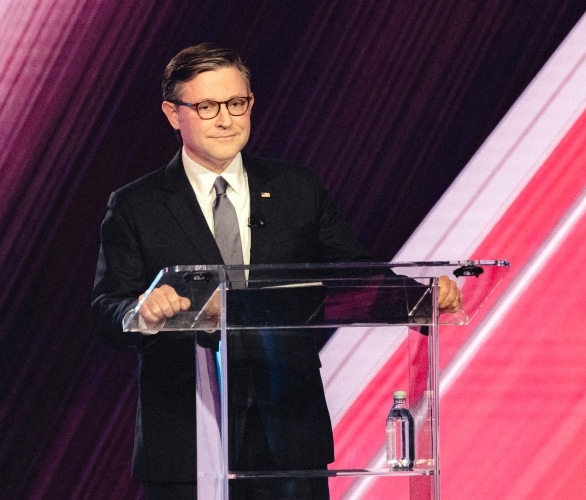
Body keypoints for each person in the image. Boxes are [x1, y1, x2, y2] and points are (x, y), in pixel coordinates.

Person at [91, 42, 461, 499]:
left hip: (290, 431)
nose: (225, 119)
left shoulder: (296, 189)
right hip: (188, 438)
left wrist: (420, 298)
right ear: (173, 113)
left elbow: (355, 275)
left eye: (236, 103)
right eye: (206, 107)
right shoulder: (137, 205)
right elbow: (106, 311)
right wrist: (142, 311)